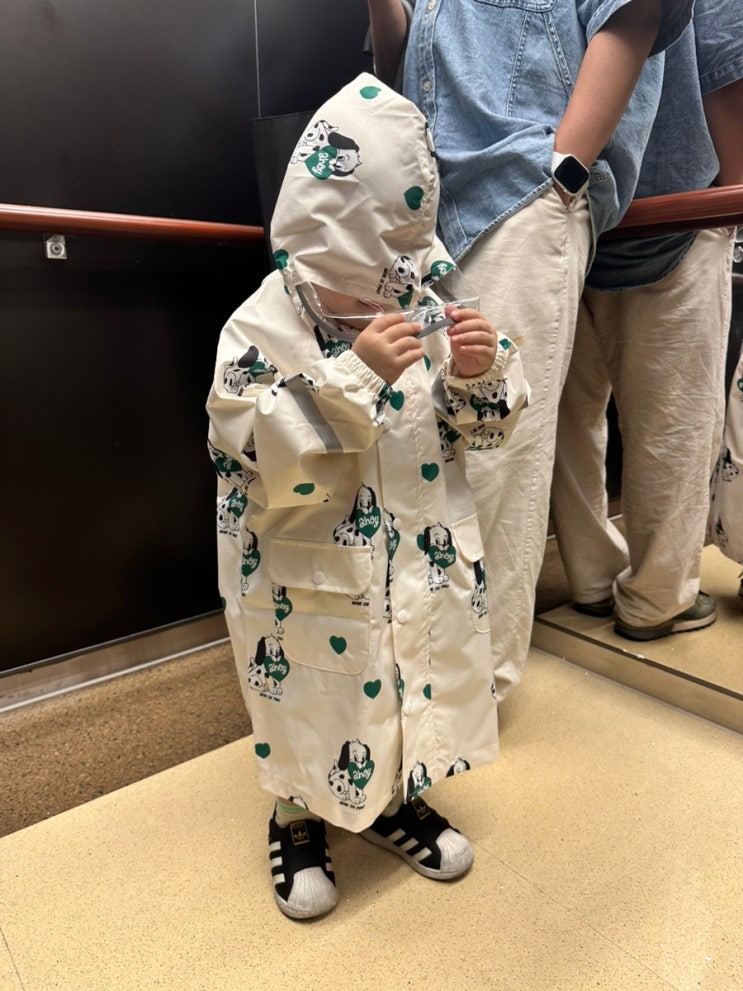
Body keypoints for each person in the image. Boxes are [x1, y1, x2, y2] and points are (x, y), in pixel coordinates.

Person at [206, 74, 529, 920]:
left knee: (407, 677)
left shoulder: (420, 308)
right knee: (308, 698)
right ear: (307, 244)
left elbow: (484, 433)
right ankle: (294, 816)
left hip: (414, 565)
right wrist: (352, 378)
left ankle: (395, 797)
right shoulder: (257, 327)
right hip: (304, 583)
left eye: (396, 278)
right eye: (357, 282)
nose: (380, 303)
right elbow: (245, 451)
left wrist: (478, 373)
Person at [367, 0, 693, 699]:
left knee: (495, 459)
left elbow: (633, 12)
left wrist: (563, 174)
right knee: (426, 441)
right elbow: (398, 62)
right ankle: (424, 672)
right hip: (425, 200)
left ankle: (468, 693)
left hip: (516, 188)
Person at [551, 0, 743, 641]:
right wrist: (729, 202)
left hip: (557, 208)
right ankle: (657, 600)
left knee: (568, 416)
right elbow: (724, 64)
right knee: (674, 417)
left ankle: (591, 580)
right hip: (672, 202)